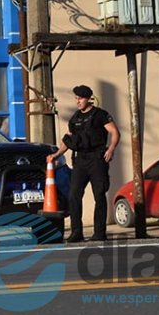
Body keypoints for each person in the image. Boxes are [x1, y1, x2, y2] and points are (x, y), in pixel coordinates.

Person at [46, 85, 120, 243]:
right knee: (74, 195)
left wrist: (111, 149)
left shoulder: (100, 115)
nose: (77, 101)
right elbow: (69, 140)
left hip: (97, 159)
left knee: (99, 195)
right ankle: (76, 232)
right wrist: (56, 154)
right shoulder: (75, 118)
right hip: (80, 160)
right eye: (76, 98)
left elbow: (114, 132)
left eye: (80, 98)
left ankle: (99, 233)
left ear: (88, 98)